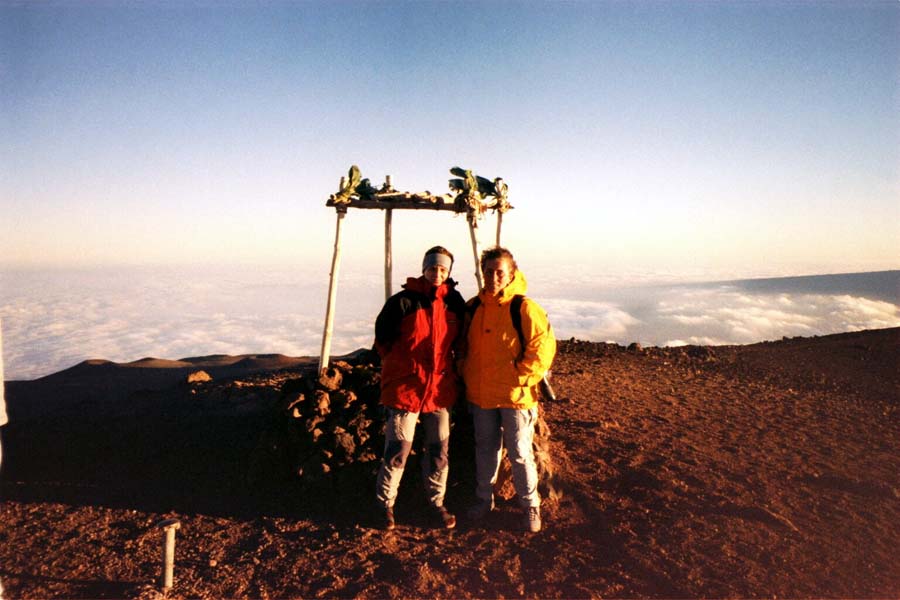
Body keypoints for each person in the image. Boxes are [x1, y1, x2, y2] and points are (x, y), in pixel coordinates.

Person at [461, 247, 556, 533]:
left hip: (515, 397)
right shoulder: (474, 307)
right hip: (482, 394)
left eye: (499, 272)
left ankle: (530, 506)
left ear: (511, 273)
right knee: (486, 450)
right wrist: (464, 371)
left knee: (520, 452)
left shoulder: (524, 307)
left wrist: (520, 378)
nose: (493, 277)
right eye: (488, 271)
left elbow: (543, 348)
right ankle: (484, 500)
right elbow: (463, 347)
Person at [374, 246, 467, 530]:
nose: (437, 273)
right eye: (432, 268)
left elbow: (461, 342)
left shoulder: (455, 303)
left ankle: (436, 504)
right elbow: (383, 341)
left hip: (439, 390)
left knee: (439, 450)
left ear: (449, 272)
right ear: (423, 268)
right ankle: (385, 506)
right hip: (405, 390)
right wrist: (401, 370)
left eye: (442, 269)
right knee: (397, 450)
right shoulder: (402, 302)